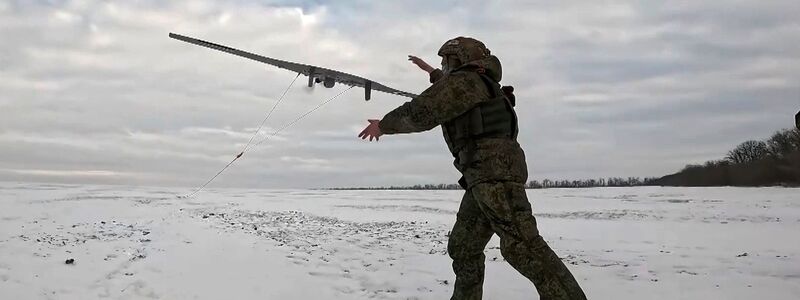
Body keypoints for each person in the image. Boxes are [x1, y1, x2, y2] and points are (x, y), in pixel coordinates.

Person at [358, 37, 586, 300]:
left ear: (460, 61)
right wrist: (429, 71)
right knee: (464, 246)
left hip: (493, 174)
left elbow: (424, 110)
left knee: (523, 246)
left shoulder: (466, 82)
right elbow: (448, 90)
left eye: (446, 62)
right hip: (483, 175)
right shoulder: (479, 82)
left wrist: (383, 125)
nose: (443, 66)